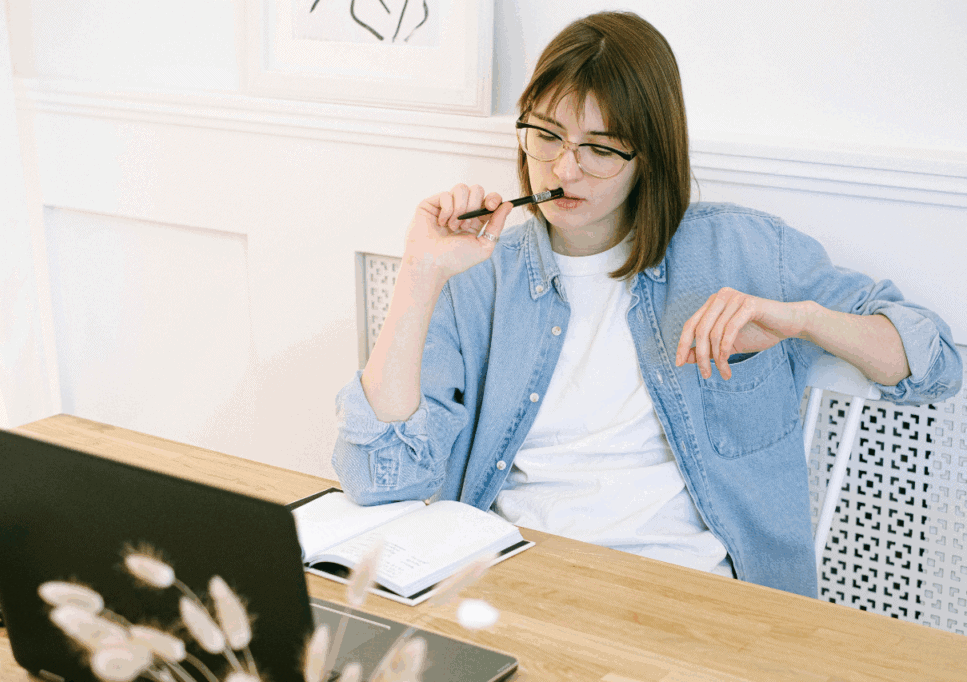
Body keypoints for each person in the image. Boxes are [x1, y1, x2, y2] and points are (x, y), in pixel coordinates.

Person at [331, 11, 962, 597]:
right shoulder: (478, 277)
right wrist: (418, 275)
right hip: (517, 582)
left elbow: (936, 363)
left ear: (649, 155)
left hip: (690, 596)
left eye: (600, 149)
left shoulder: (744, 250)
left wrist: (803, 320)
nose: (563, 171)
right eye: (545, 137)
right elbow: (380, 478)